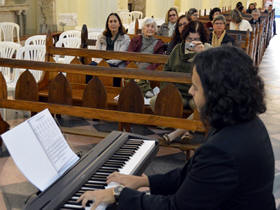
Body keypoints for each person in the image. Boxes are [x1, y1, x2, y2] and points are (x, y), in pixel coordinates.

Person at [78, 46, 276, 210]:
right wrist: (144, 182)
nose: (190, 91)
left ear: (217, 94)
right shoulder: (245, 123)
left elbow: (176, 208)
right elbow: (190, 174)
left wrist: (118, 194)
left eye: (196, 87)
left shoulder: (222, 150)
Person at [151, 21, 210, 110]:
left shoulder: (208, 50)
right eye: (189, 39)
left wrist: (202, 54)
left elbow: (213, 75)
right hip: (176, 92)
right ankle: (166, 124)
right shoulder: (178, 49)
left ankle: (189, 124)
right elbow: (167, 70)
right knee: (155, 101)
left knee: (202, 106)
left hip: (197, 94)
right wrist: (167, 91)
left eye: (196, 39)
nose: (193, 42)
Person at [87, 13, 130, 85]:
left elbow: (120, 57)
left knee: (114, 71)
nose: (113, 24)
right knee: (90, 68)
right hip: (101, 63)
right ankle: (90, 90)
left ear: (119, 24)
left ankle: (113, 94)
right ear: (107, 24)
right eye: (110, 21)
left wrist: (106, 64)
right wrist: (102, 63)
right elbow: (97, 54)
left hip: (116, 65)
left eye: (115, 21)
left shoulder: (125, 38)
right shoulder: (101, 37)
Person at [127, 18, 165, 97]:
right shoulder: (136, 39)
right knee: (129, 75)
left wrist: (146, 71)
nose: (150, 29)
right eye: (148, 26)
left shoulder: (159, 43)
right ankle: (146, 89)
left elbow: (157, 62)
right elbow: (129, 55)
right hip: (135, 67)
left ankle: (137, 89)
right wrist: (133, 67)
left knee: (132, 79)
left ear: (155, 30)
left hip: (149, 69)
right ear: (143, 29)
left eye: (152, 27)